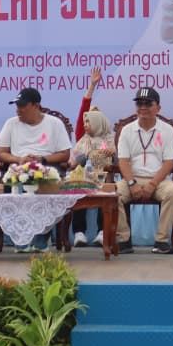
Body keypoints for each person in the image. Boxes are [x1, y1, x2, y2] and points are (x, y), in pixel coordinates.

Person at [0, 87, 72, 251]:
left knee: (46, 185)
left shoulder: (54, 123)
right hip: (18, 166)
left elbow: (65, 154)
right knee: (16, 184)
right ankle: (21, 238)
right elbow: (1, 153)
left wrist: (42, 159)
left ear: (36, 106)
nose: (18, 110)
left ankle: (41, 238)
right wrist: (19, 159)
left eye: (22, 106)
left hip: (46, 166)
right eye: (17, 106)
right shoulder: (11, 123)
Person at [114, 87, 173, 254]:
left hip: (159, 180)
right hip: (132, 178)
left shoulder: (167, 130)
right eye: (139, 104)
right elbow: (123, 161)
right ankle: (123, 240)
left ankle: (161, 241)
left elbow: (168, 163)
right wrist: (132, 183)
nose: (143, 107)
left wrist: (152, 184)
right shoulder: (127, 130)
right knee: (113, 196)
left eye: (148, 104)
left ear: (158, 108)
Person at [70, 106, 115, 247]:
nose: (85, 125)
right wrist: (85, 156)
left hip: (105, 177)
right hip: (85, 176)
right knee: (78, 191)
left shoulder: (109, 140)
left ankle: (102, 231)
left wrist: (112, 154)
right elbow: (73, 162)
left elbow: (118, 162)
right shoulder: (84, 140)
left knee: (105, 192)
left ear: (97, 123)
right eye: (84, 122)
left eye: (88, 122)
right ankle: (79, 233)